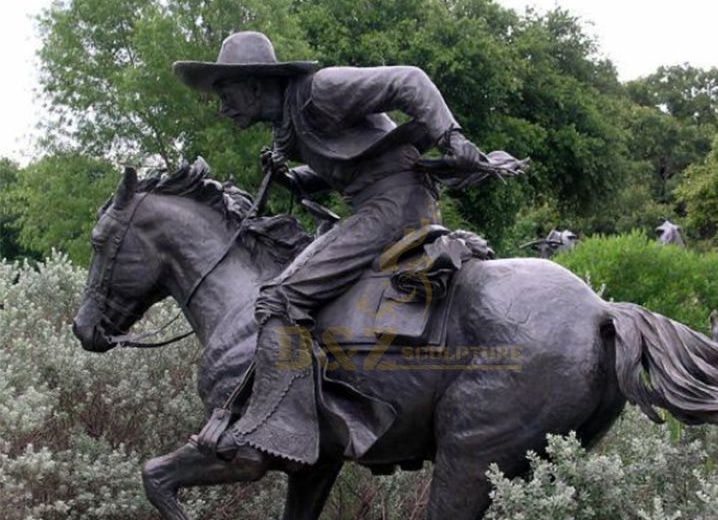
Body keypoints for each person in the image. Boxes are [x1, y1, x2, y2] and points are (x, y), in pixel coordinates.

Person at [173, 31, 490, 465]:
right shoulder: (290, 121)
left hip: (393, 206)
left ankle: (278, 426)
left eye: (227, 95)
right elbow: (353, 163)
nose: (224, 108)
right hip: (380, 202)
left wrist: (452, 138)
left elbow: (410, 81)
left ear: (252, 85)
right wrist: (297, 178)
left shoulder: (321, 90)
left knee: (279, 298)